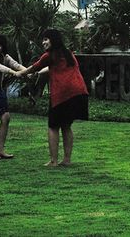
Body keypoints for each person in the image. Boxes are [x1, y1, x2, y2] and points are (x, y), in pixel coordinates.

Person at [17, 29, 89, 167]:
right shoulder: (68, 54)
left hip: (62, 94)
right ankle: (67, 160)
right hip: (78, 93)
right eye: (43, 39)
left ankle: (53, 161)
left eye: (46, 39)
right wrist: (38, 73)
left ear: (53, 40)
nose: (43, 42)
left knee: (53, 126)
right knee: (66, 126)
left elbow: (34, 67)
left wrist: (20, 73)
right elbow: (52, 68)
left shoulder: (49, 55)